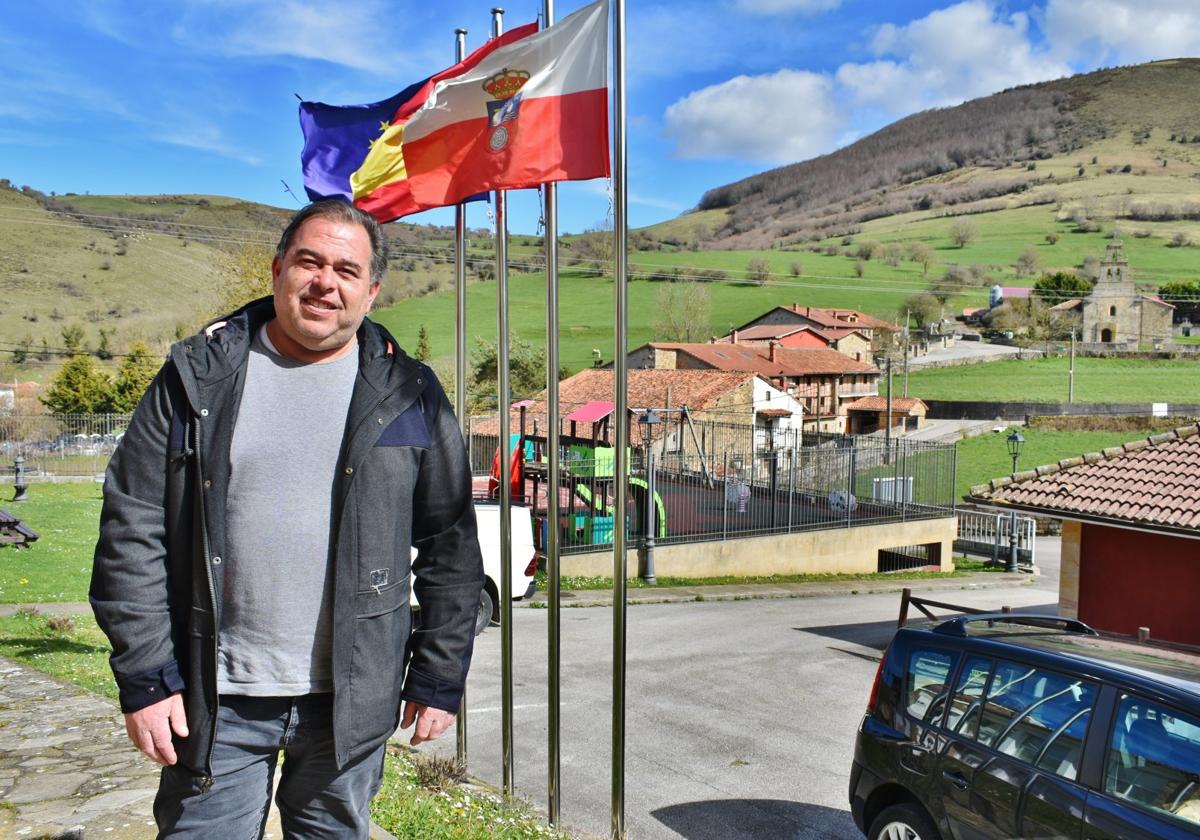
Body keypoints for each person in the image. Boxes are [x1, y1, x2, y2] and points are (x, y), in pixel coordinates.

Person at [90, 199, 483, 838]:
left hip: (350, 704)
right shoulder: (196, 379)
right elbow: (133, 527)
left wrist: (438, 675)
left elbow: (450, 544)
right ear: (278, 270)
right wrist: (144, 674)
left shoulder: (410, 394)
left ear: (371, 290)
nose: (325, 283)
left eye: (347, 271)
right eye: (309, 261)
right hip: (214, 699)